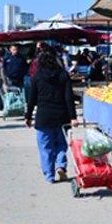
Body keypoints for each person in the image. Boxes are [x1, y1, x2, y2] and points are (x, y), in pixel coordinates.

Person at [25, 51, 76, 183]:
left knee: (45, 147)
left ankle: (49, 175)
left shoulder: (36, 77)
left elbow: (32, 99)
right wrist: (73, 117)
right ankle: (61, 165)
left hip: (43, 117)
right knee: (61, 144)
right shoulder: (63, 75)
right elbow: (69, 97)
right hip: (61, 116)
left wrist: (28, 116)